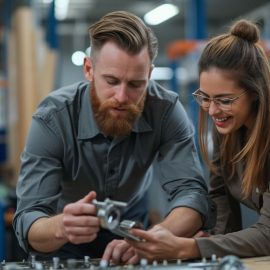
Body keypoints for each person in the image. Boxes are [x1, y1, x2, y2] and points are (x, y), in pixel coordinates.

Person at [13, 10, 215, 260]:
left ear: (149, 75)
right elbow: (28, 219)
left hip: (134, 236)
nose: (121, 97)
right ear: (88, 69)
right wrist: (61, 225)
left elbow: (192, 195)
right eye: (111, 81)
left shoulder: (165, 111)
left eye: (135, 84)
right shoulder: (53, 118)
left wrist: (152, 238)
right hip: (63, 242)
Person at [123, 19, 270, 261]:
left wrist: (188, 248)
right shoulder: (229, 130)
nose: (212, 111)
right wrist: (213, 242)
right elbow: (220, 198)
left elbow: (267, 234)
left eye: (224, 100)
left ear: (255, 92)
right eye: (205, 98)